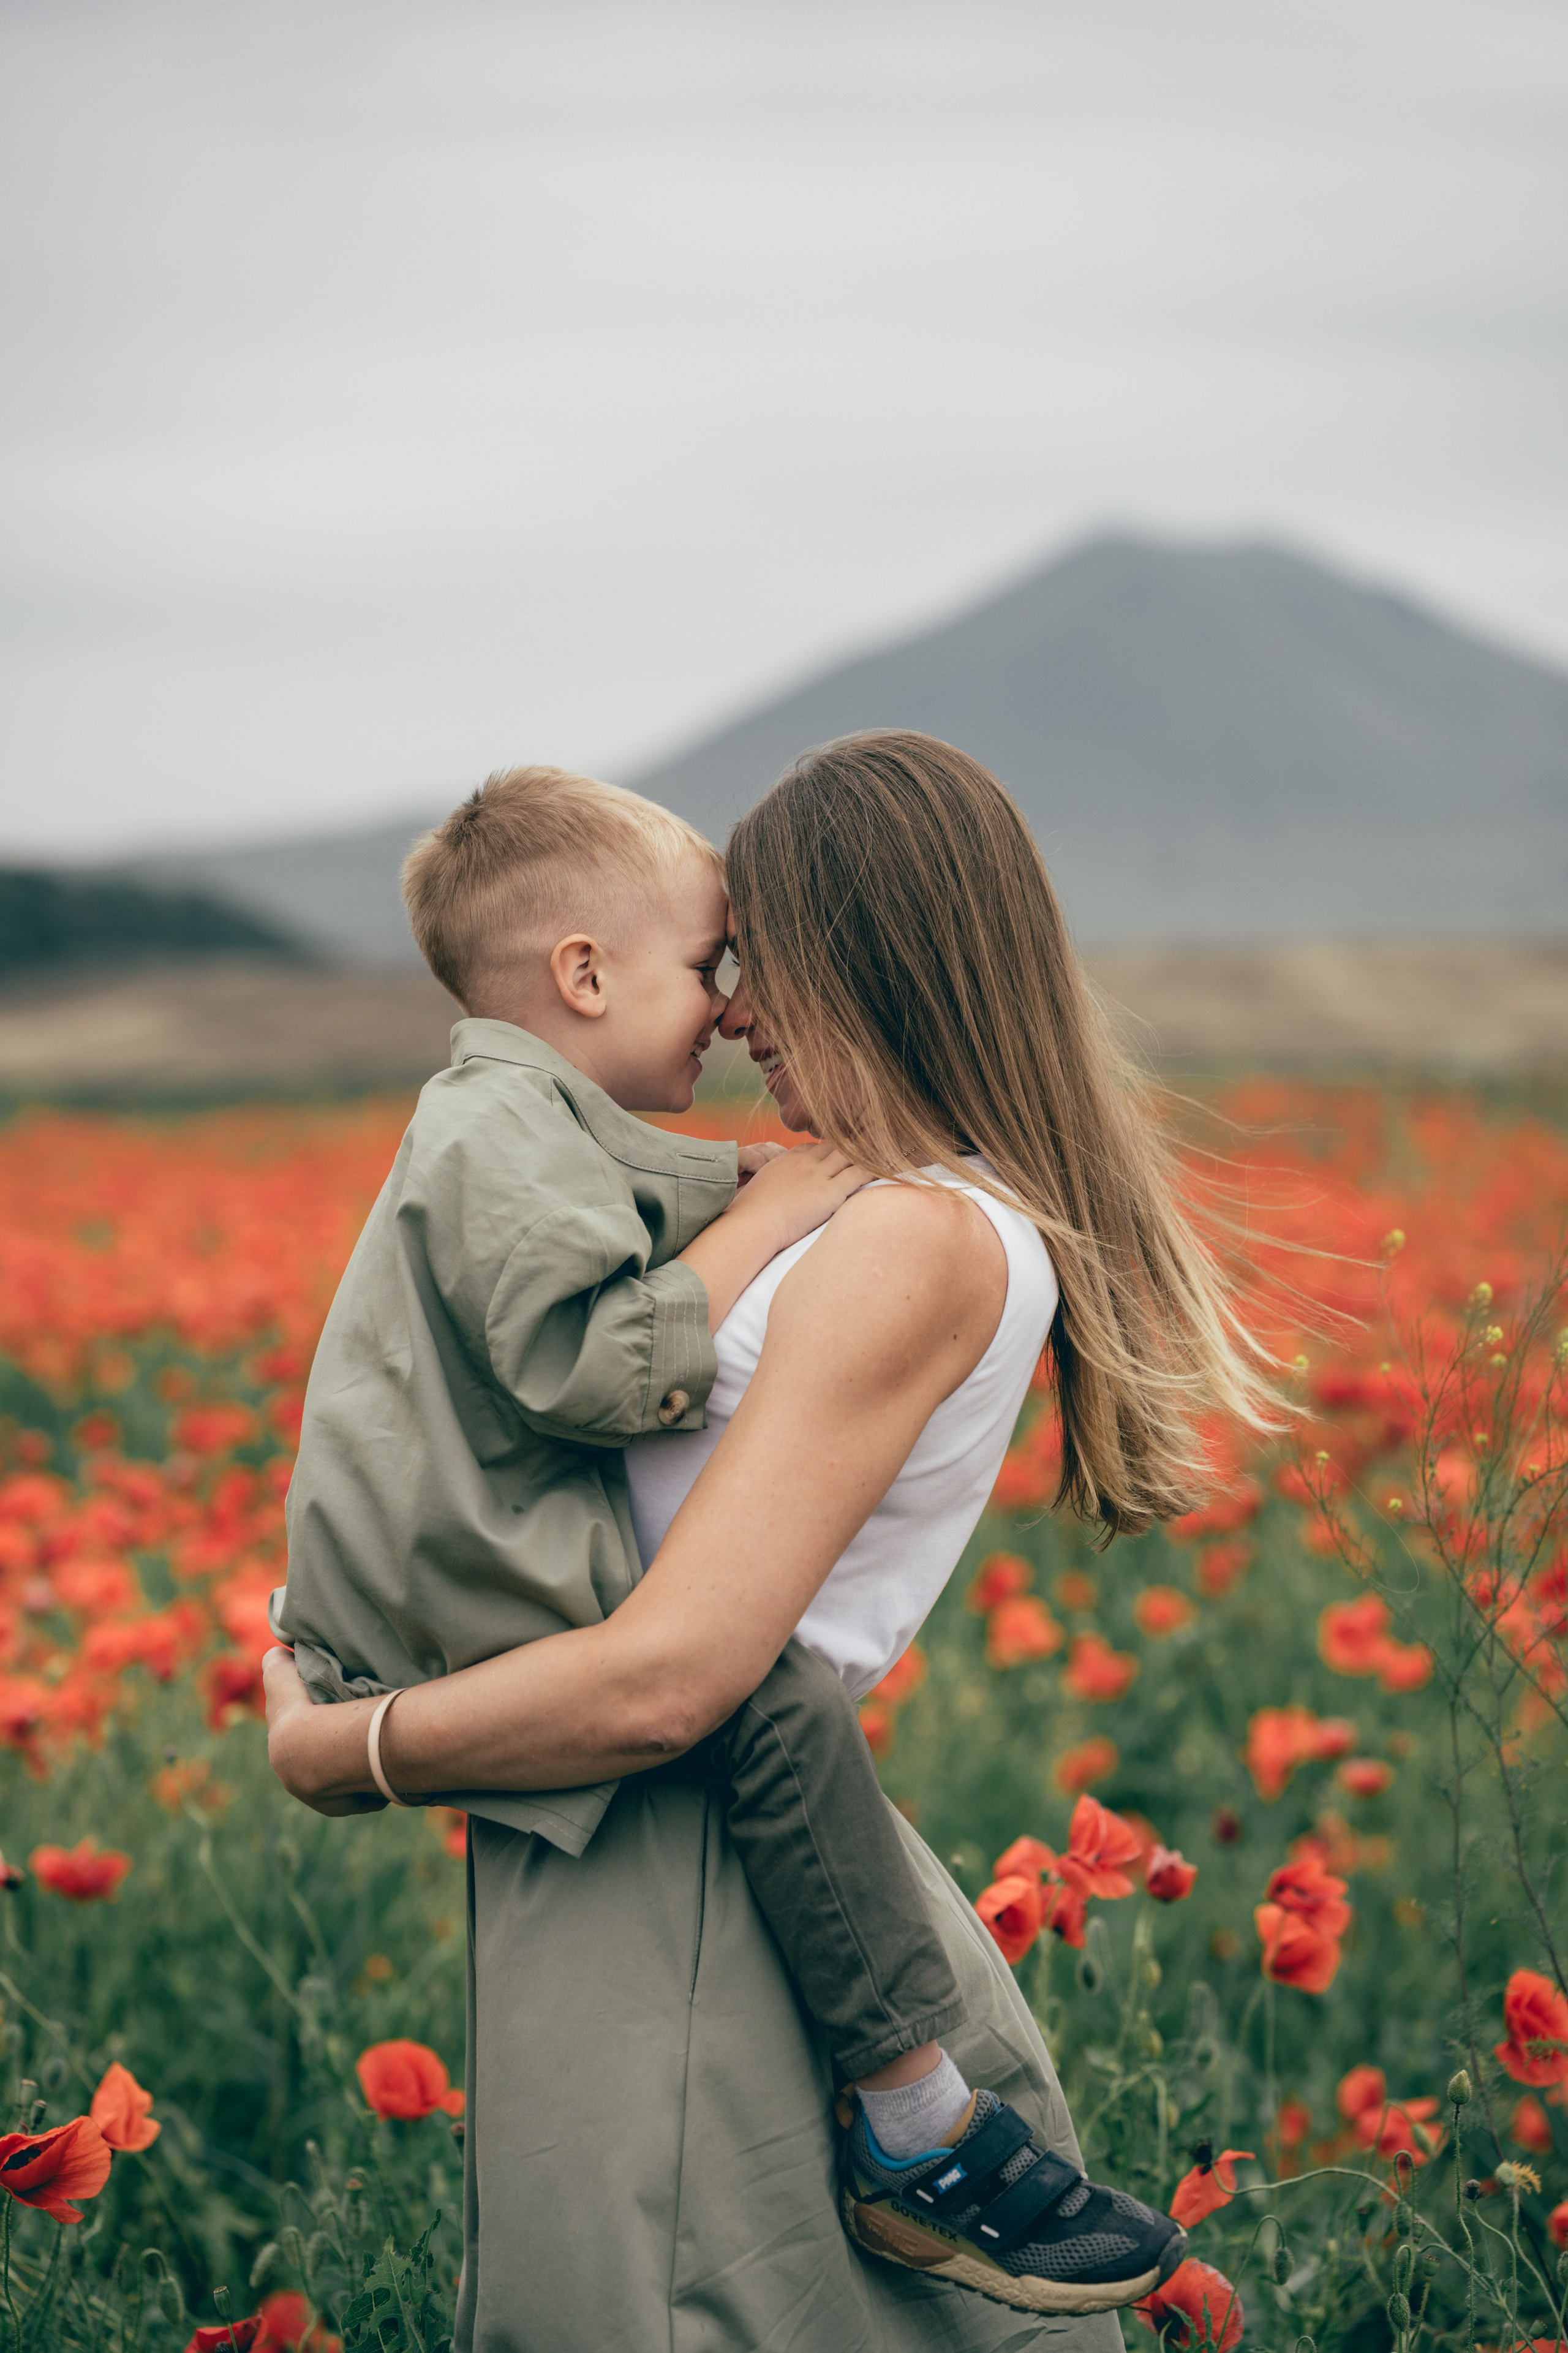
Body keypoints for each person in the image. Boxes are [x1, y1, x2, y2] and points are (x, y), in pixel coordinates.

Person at [268, 731, 1275, 2353]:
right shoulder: (864, 1202)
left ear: (873, 963)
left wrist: (347, 1747)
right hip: (642, 1825)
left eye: (759, 964)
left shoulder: (916, 1234)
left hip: (688, 1849)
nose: (732, 1011)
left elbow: (678, 1677)